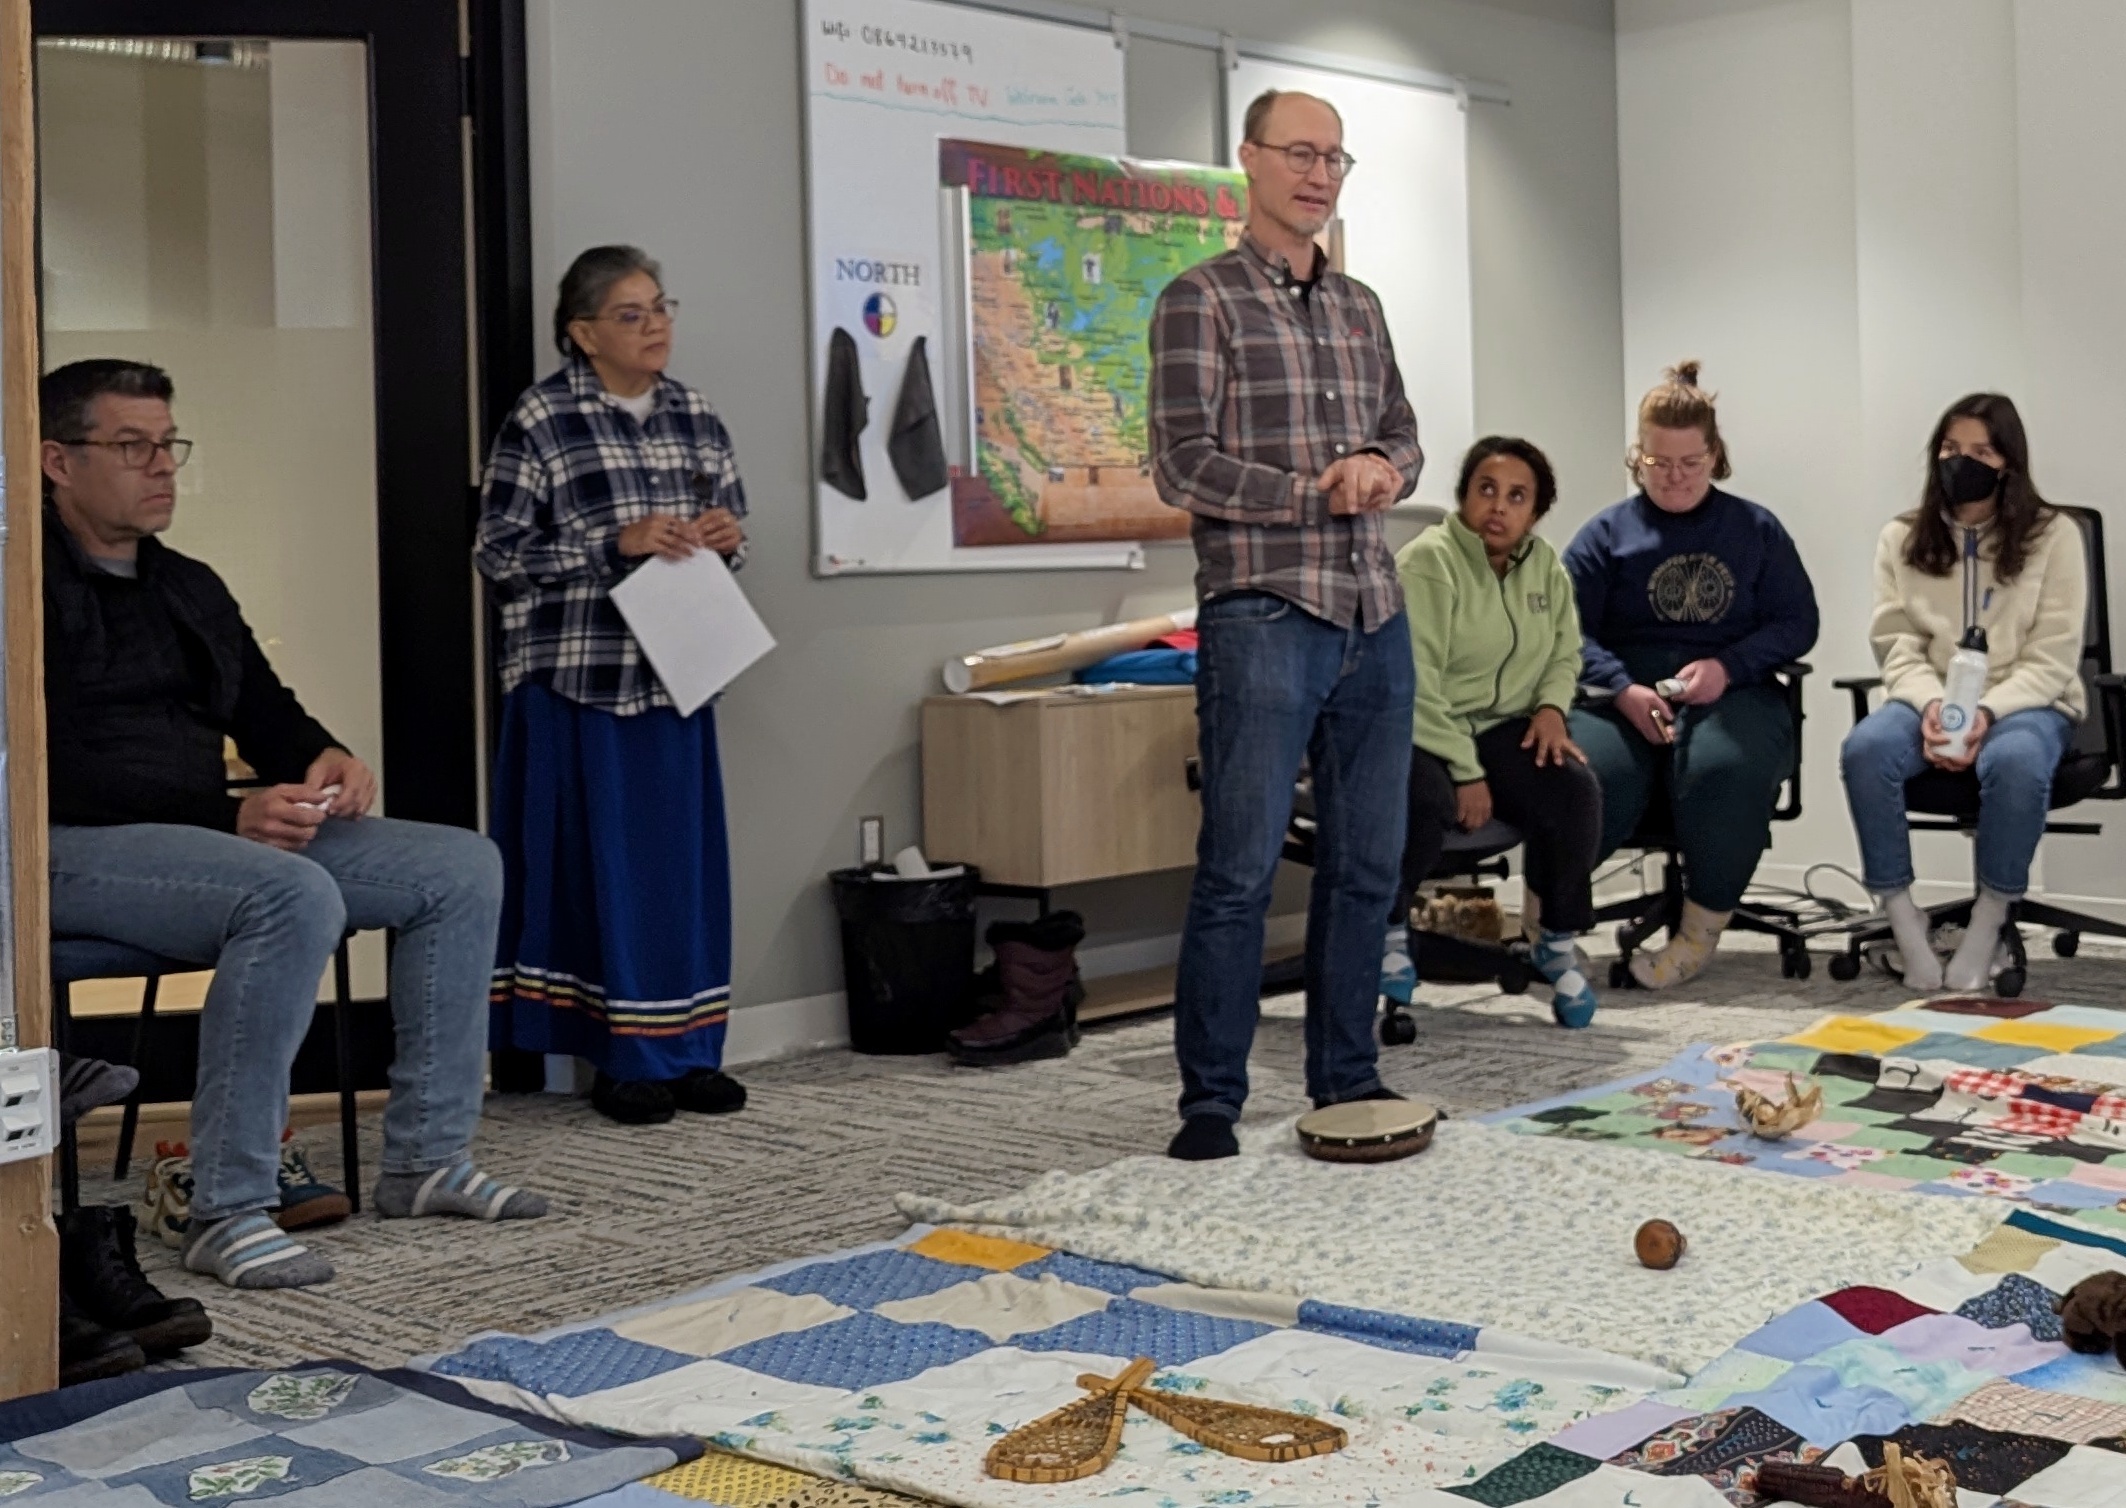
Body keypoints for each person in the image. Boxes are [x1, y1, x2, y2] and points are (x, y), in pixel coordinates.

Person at [41, 359, 545, 1297]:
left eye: (168, 445)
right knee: (289, 892)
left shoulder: (185, 583)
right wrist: (228, 813)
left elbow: (265, 711)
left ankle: (425, 1162)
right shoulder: (21, 586)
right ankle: (228, 1208)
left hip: (200, 840)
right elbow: (50, 760)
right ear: (57, 462)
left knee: (459, 866)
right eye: (130, 446)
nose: (161, 467)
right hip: (62, 849)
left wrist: (324, 756)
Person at [1150, 89, 1421, 1162]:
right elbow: (1182, 463)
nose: (1317, 173)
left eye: (1333, 158)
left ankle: (1344, 1076)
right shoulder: (1198, 300)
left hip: (1373, 610)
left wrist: (1382, 467)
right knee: (1239, 868)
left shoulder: (1358, 305)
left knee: (1366, 867)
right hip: (1265, 610)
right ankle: (1210, 1101)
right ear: (1247, 162)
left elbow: (1401, 434)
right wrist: (1317, 488)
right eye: (1298, 153)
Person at [478, 246, 751, 1127]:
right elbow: (498, 555)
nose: (656, 325)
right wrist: (613, 544)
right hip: (576, 680)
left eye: (661, 306)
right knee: (600, 875)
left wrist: (722, 537)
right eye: (631, 314)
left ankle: (688, 1048)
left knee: (682, 874)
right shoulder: (543, 417)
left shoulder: (697, 415)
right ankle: (618, 1058)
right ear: (582, 332)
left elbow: (738, 531)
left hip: (678, 673)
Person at [1565, 362, 1819, 988]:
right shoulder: (1603, 536)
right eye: (1659, 463)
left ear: (1715, 456)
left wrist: (1727, 667)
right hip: (1619, 697)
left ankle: (1697, 935)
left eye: (1691, 463)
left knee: (1721, 768)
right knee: (1583, 774)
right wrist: (1622, 687)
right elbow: (1565, 629)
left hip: (1734, 696)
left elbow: (1798, 622)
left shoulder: (1756, 530)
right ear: (1638, 457)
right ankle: (1551, 926)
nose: (1675, 477)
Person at [1841, 394, 2085, 993]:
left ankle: (1987, 922)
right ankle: (1904, 922)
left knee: (2017, 760)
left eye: (1982, 451)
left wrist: (1982, 713)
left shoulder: (2055, 536)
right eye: (1952, 449)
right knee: (1865, 750)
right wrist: (1934, 706)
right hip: (1927, 697)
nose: (1963, 462)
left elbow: (2052, 656)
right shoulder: (1901, 537)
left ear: (2009, 462)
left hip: (2027, 701)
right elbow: (1896, 643)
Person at [1391, 438, 1602, 1027]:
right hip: (1423, 726)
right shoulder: (1428, 561)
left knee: (1572, 788)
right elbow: (1418, 681)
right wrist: (1467, 771)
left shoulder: (1545, 566)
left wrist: (1552, 709)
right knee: (1422, 799)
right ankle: (1385, 933)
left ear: (1535, 512)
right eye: (1487, 490)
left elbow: (1565, 652)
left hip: (1501, 726)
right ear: (1464, 496)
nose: (1499, 507)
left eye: (1516, 497)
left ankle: (1555, 943)